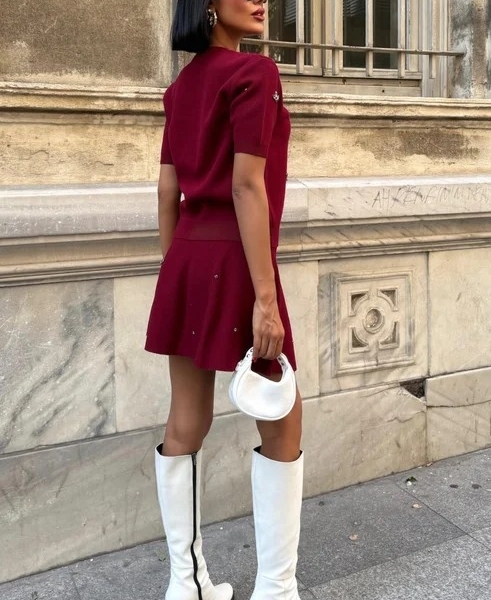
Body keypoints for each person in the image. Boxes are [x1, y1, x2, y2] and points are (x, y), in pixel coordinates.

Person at [145, 1, 303, 598]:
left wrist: (177, 273)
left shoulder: (179, 89)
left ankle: (185, 585)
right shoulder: (255, 72)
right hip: (238, 261)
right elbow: (246, 185)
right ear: (207, 4)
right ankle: (276, 590)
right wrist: (265, 297)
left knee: (186, 421)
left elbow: (167, 192)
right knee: (282, 419)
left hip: (186, 257)